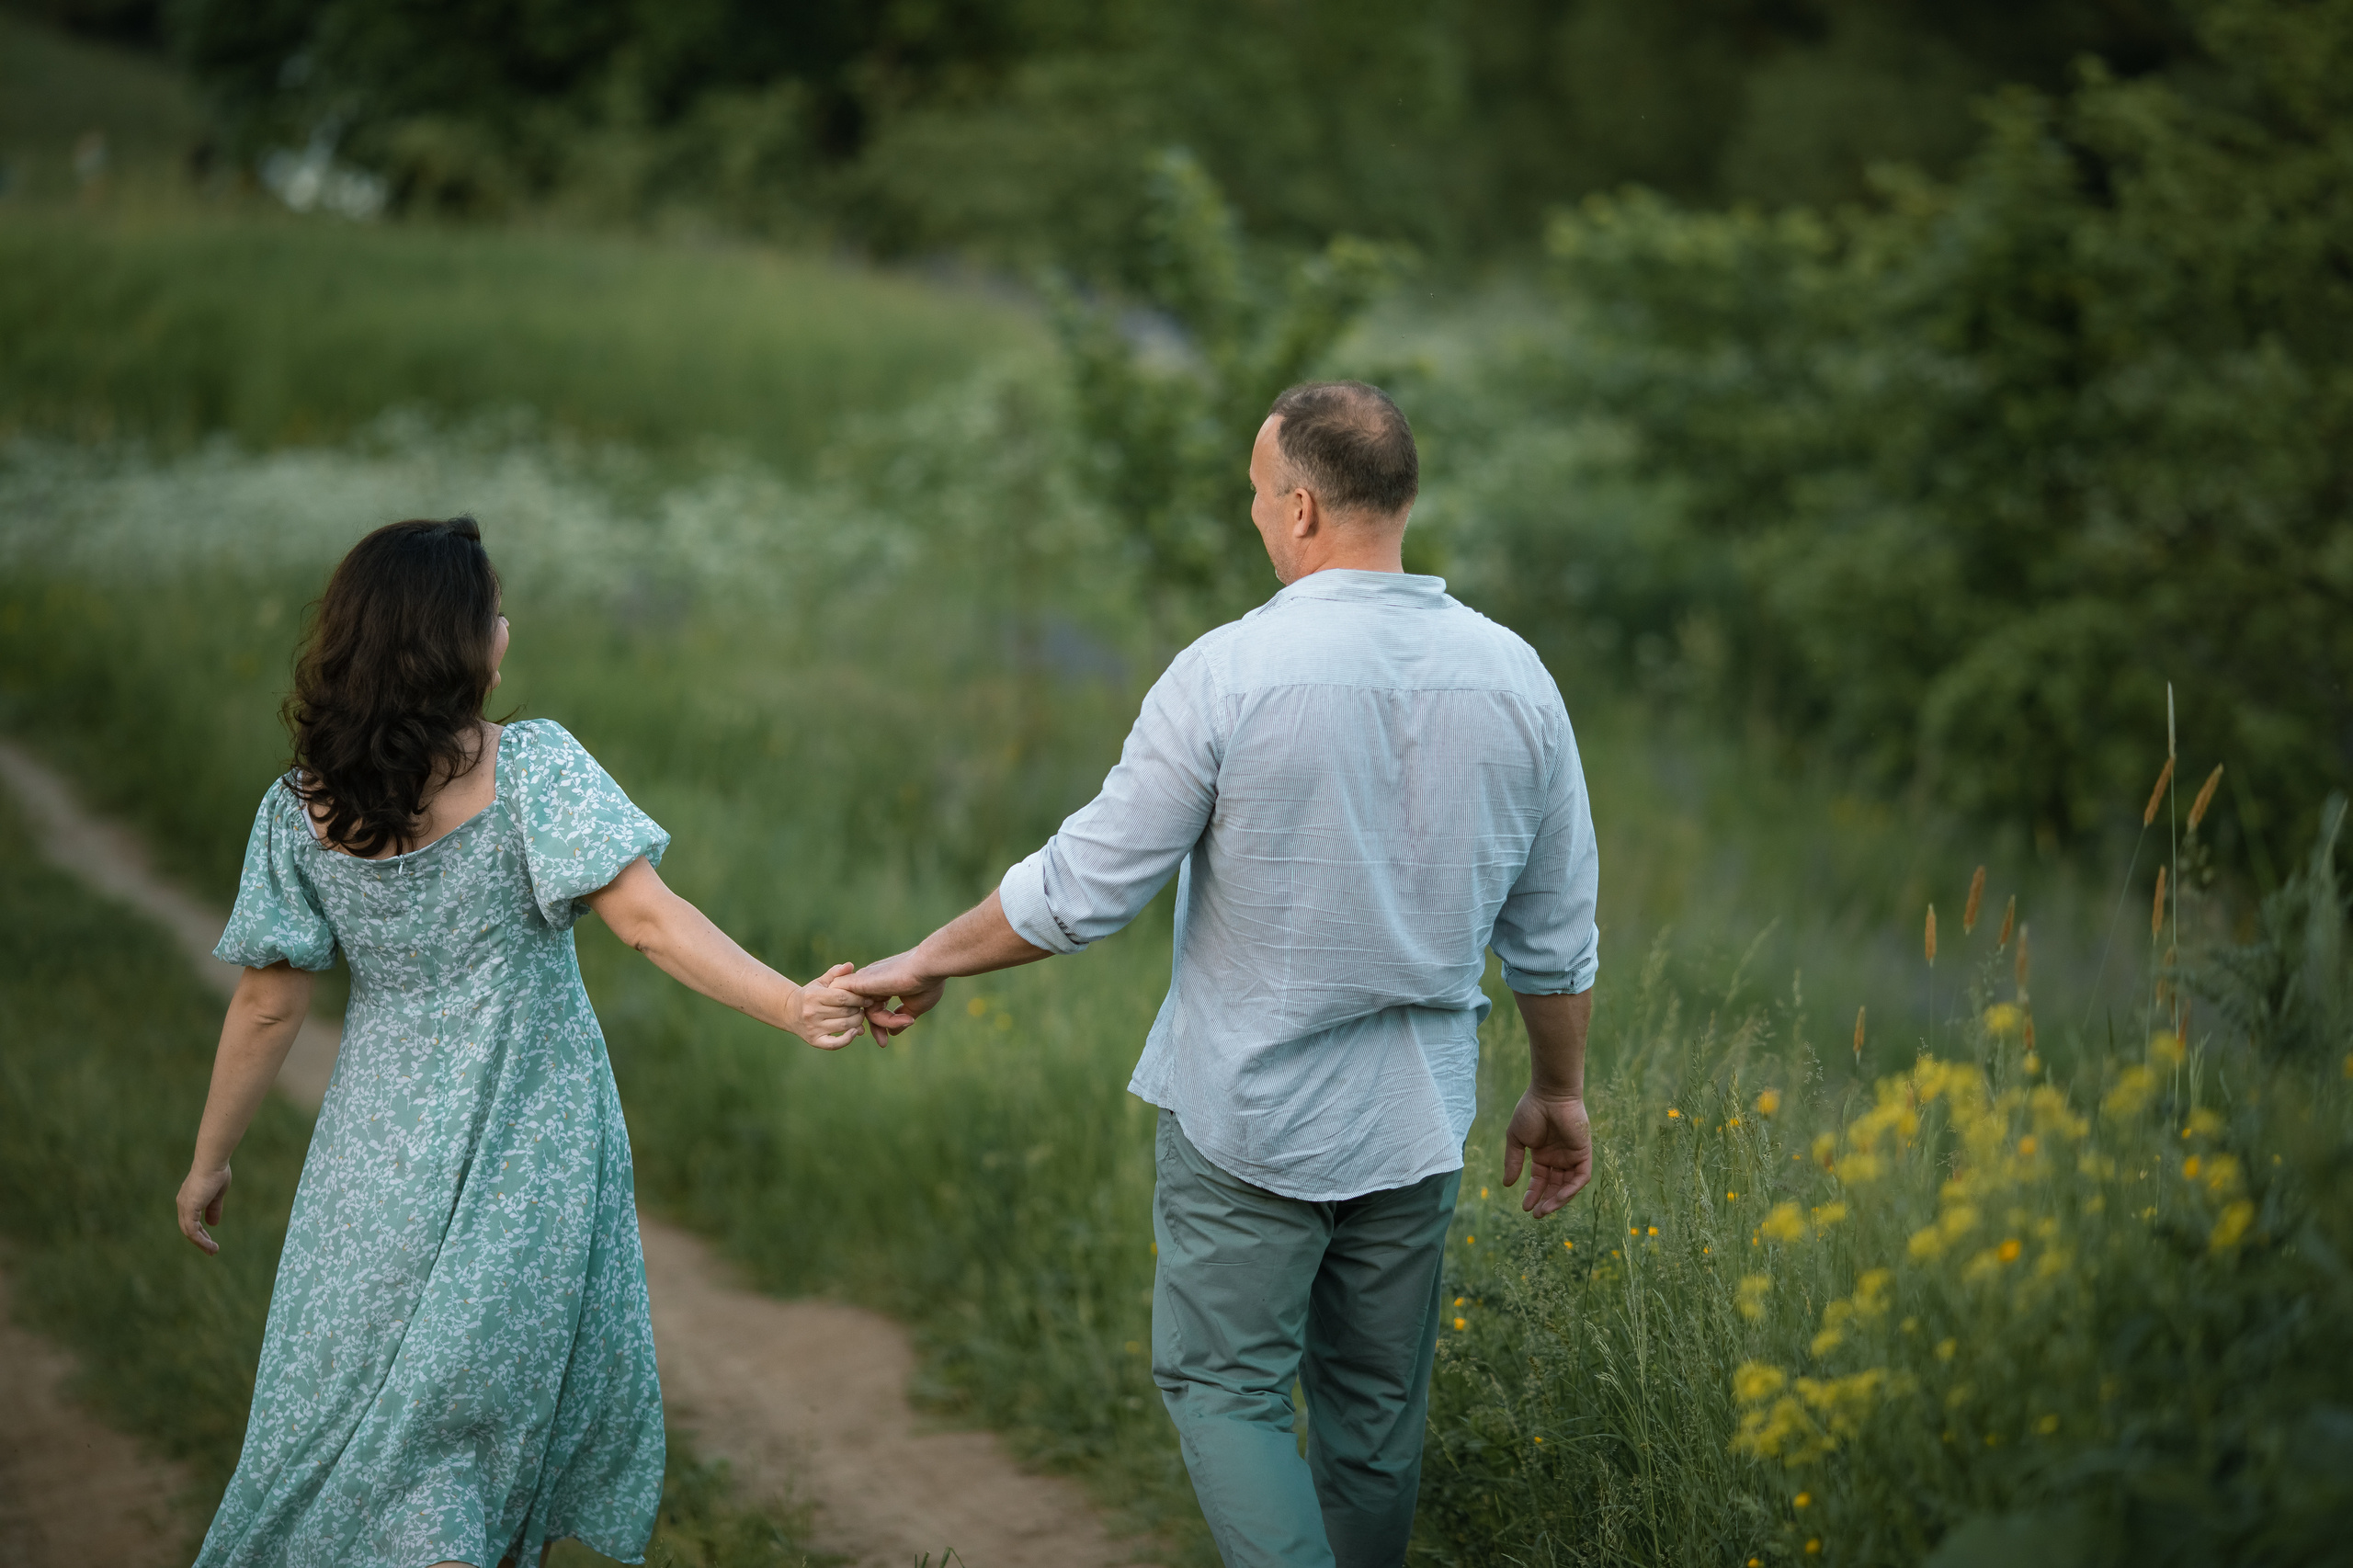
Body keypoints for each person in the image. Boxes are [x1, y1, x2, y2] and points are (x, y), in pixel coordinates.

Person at [842, 381, 1600, 1568]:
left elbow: (1083, 886)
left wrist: (931, 957)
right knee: (1376, 1419)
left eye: (1257, 496)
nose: (1255, 516)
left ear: (1301, 508)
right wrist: (1559, 1090)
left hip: (1249, 1115)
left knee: (1225, 1389)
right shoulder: (1519, 679)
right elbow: (1554, 936)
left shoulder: (1231, 670)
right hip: (1415, 1120)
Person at [175, 517, 866, 1568]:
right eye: (493, 610)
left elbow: (269, 1005)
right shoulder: (534, 766)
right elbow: (649, 920)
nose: (508, 624)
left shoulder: (298, 806)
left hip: (373, 1157)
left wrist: (209, 1158)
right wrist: (791, 1003)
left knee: (358, 1419)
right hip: (525, 1145)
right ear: (462, 645)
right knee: (466, 1432)